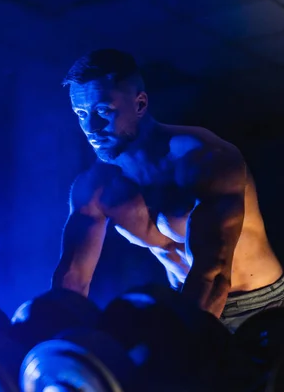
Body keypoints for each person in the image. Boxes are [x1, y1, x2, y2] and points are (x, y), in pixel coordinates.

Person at [52, 48, 284, 332]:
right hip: (184, 304)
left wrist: (179, 347)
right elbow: (72, 280)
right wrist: (53, 334)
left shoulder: (206, 159)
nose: (90, 127)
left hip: (258, 310)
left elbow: (213, 275)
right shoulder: (95, 187)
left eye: (103, 111)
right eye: (80, 113)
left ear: (140, 104)